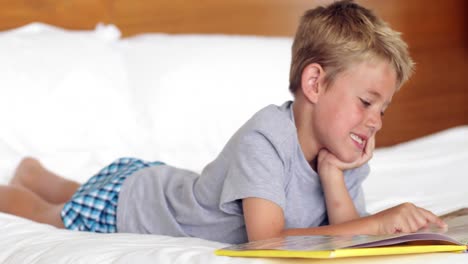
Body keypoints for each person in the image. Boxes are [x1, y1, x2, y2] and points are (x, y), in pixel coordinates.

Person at [0, 0, 446, 244]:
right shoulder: (266, 137)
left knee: (79, 187)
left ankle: (36, 172)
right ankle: (24, 182)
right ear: (315, 82)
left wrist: (332, 175)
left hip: (164, 182)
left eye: (382, 109)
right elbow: (267, 241)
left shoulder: (345, 154)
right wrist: (374, 222)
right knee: (52, 215)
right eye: (367, 102)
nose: (375, 122)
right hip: (137, 203)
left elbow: (345, 235)